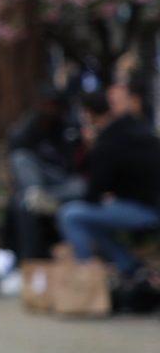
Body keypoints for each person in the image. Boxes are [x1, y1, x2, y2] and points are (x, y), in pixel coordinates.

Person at [56, 74, 160, 285]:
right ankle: (128, 266)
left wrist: (90, 147)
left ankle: (87, 278)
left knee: (71, 215)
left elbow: (95, 189)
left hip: (145, 209)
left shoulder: (111, 139)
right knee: (92, 222)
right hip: (144, 203)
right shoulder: (138, 130)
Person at [6, 87, 87, 260]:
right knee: (21, 167)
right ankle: (28, 261)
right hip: (39, 182)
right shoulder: (31, 125)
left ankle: (37, 197)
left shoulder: (69, 127)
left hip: (65, 183)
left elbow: (76, 168)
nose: (49, 109)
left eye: (52, 105)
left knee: (81, 186)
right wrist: (31, 123)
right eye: (45, 105)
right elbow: (18, 152)